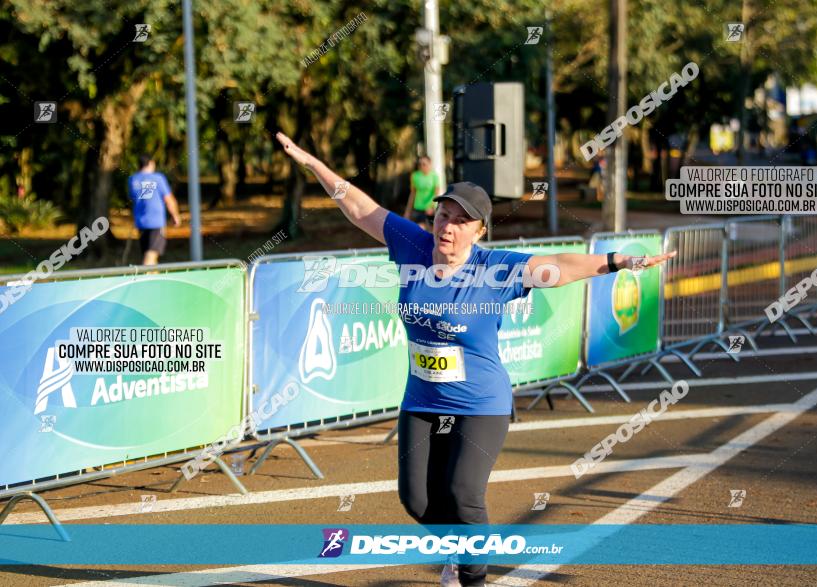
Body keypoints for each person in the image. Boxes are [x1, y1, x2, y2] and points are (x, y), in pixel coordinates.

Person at [274, 131, 675, 587]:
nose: (448, 225)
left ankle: (473, 577)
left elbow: (561, 267)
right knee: (418, 501)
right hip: (422, 398)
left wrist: (618, 261)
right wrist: (311, 163)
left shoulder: (495, 267)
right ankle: (459, 547)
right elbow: (360, 207)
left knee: (464, 493)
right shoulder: (413, 245)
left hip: (479, 402)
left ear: (479, 230)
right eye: (444, 214)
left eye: (461, 220)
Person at [128, 154, 181, 265]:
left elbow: (135, 199)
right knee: (150, 256)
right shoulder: (158, 178)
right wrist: (175, 216)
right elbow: (169, 200)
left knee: (151, 257)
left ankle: (155, 281)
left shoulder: (133, 179)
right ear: (151, 163)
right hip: (156, 222)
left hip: (140, 222)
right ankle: (144, 280)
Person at [404, 155, 440, 229]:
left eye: (424, 164)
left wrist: (431, 206)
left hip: (430, 209)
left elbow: (436, 193)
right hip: (418, 208)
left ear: (430, 164)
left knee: (432, 231)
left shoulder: (434, 176)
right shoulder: (415, 176)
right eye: (420, 164)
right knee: (419, 229)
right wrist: (407, 211)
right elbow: (412, 194)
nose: (421, 166)